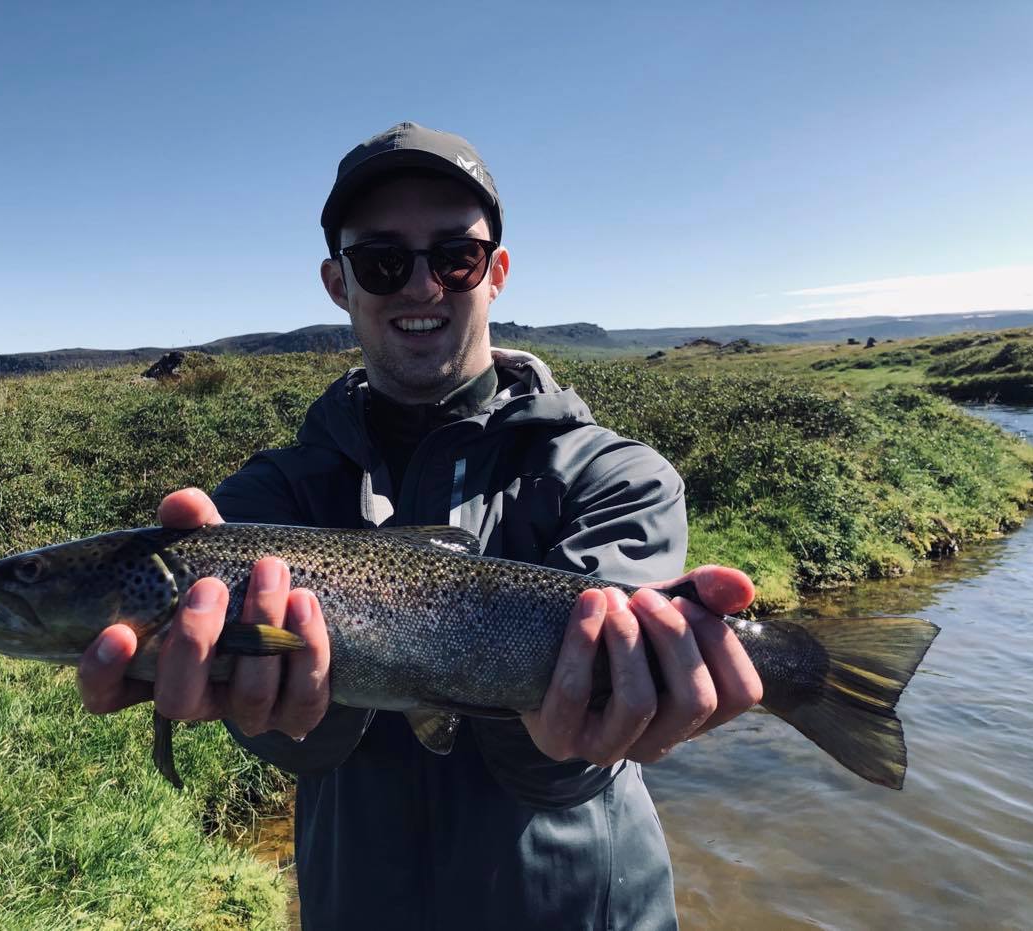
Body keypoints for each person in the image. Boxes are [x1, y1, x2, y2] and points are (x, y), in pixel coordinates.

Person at [79, 122, 762, 930]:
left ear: (495, 272)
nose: (421, 285)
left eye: (454, 257)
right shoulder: (265, 503)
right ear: (339, 282)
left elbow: (577, 765)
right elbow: (292, 743)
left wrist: (569, 733)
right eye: (382, 261)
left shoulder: (618, 475)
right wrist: (265, 714)